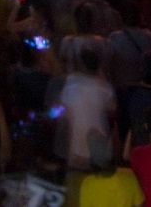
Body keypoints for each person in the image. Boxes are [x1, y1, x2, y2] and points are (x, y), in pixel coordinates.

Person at [61, 48, 118, 206]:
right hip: (100, 153)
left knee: (77, 198)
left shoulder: (70, 86)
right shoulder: (105, 88)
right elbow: (113, 108)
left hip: (76, 153)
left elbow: (64, 115)